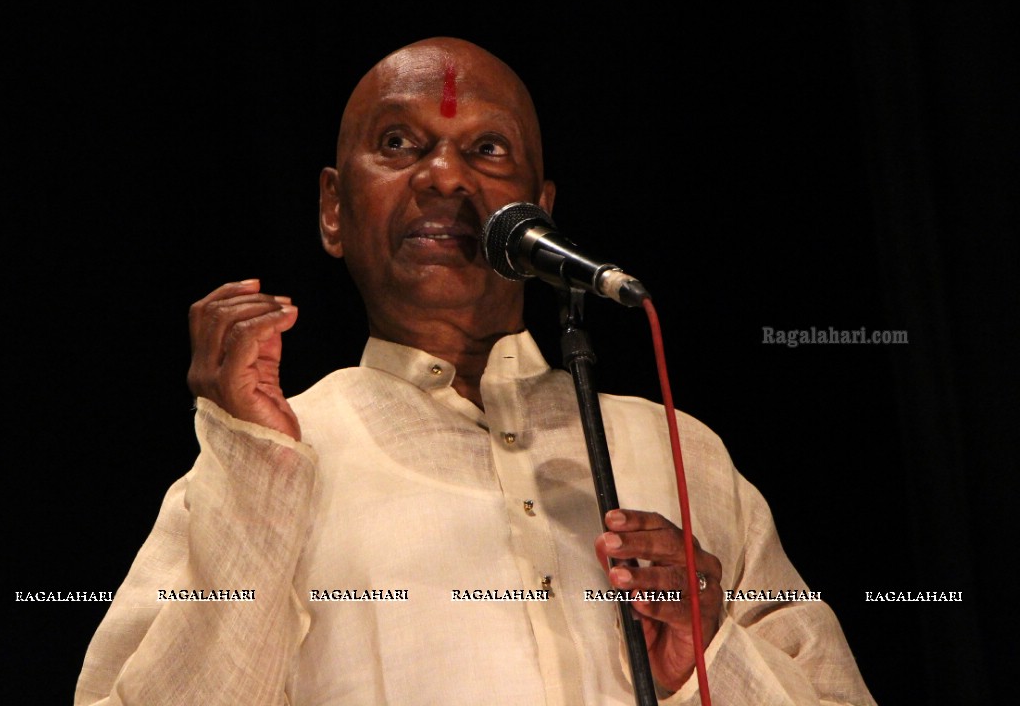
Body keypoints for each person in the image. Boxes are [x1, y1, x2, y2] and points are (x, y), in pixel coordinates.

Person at [74, 37, 875, 705]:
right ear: (332, 209)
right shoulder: (271, 457)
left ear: (539, 210)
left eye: (487, 150)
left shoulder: (676, 449)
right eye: (398, 145)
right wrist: (253, 481)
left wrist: (711, 658)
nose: (446, 178)